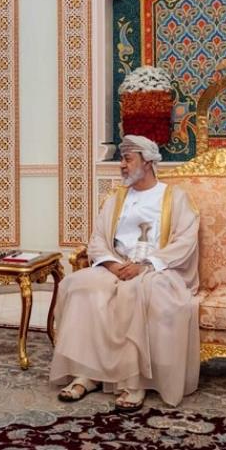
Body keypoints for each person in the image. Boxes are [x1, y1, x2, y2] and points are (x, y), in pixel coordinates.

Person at [49, 135, 200, 412]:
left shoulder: (174, 197)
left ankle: (134, 382)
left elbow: (185, 241)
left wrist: (146, 265)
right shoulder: (116, 199)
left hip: (155, 269)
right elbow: (97, 239)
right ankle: (87, 374)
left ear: (148, 162)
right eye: (121, 159)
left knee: (136, 292)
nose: (122, 165)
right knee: (79, 285)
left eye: (128, 159)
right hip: (117, 266)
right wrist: (111, 264)